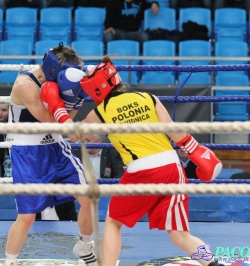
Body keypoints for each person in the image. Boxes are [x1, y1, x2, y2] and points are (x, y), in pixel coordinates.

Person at [51, 56, 223, 266]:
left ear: (96, 88)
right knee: (180, 234)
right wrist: (196, 150)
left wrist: (58, 107)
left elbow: (76, 134)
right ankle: (213, 264)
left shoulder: (103, 110)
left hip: (143, 171)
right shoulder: (148, 97)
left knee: (113, 223)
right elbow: (174, 130)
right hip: (173, 168)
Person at [3, 42, 97, 266]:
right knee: (27, 217)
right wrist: (77, 98)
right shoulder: (25, 84)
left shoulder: (55, 82)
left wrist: (80, 94)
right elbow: (51, 120)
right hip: (28, 154)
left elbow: (65, 121)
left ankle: (84, 246)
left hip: (55, 148)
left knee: (89, 199)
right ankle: (10, 261)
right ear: (55, 70)